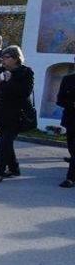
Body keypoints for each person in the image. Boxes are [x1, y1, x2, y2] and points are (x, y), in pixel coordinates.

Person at [0, 45, 35, 183]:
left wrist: (9, 81)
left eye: (6, 57)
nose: (3, 60)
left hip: (17, 115)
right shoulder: (0, 71)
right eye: (2, 57)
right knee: (6, 142)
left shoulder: (26, 72)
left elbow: (24, 92)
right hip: (1, 113)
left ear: (16, 58)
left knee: (5, 143)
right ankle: (14, 168)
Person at [57, 59, 75, 188]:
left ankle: (70, 178)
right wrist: (71, 104)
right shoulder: (68, 79)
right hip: (71, 118)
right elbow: (60, 100)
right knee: (71, 147)